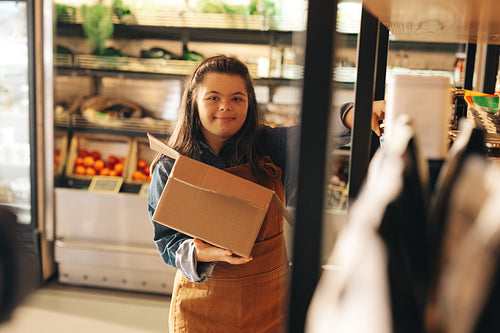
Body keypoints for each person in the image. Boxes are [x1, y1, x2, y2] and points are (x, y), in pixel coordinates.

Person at [147, 55, 385, 332]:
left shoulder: (269, 146)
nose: (226, 106)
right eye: (213, 97)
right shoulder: (172, 167)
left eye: (238, 98)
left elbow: (314, 133)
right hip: (204, 308)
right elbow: (167, 241)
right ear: (193, 102)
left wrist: (353, 114)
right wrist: (201, 252)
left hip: (270, 304)